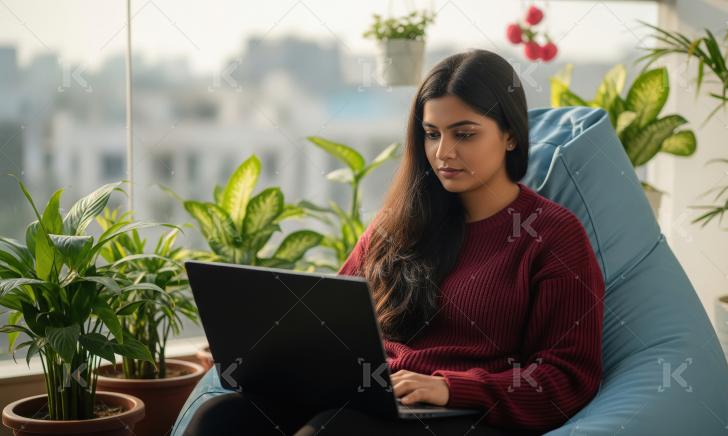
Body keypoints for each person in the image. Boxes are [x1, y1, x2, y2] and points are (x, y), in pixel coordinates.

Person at [184, 48, 605, 436]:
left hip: (465, 416)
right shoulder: (398, 222)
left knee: (333, 430)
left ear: (510, 135)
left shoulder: (552, 235)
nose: (443, 153)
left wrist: (450, 388)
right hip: (376, 396)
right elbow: (334, 325)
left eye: (465, 134)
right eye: (431, 133)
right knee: (221, 418)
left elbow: (567, 379)